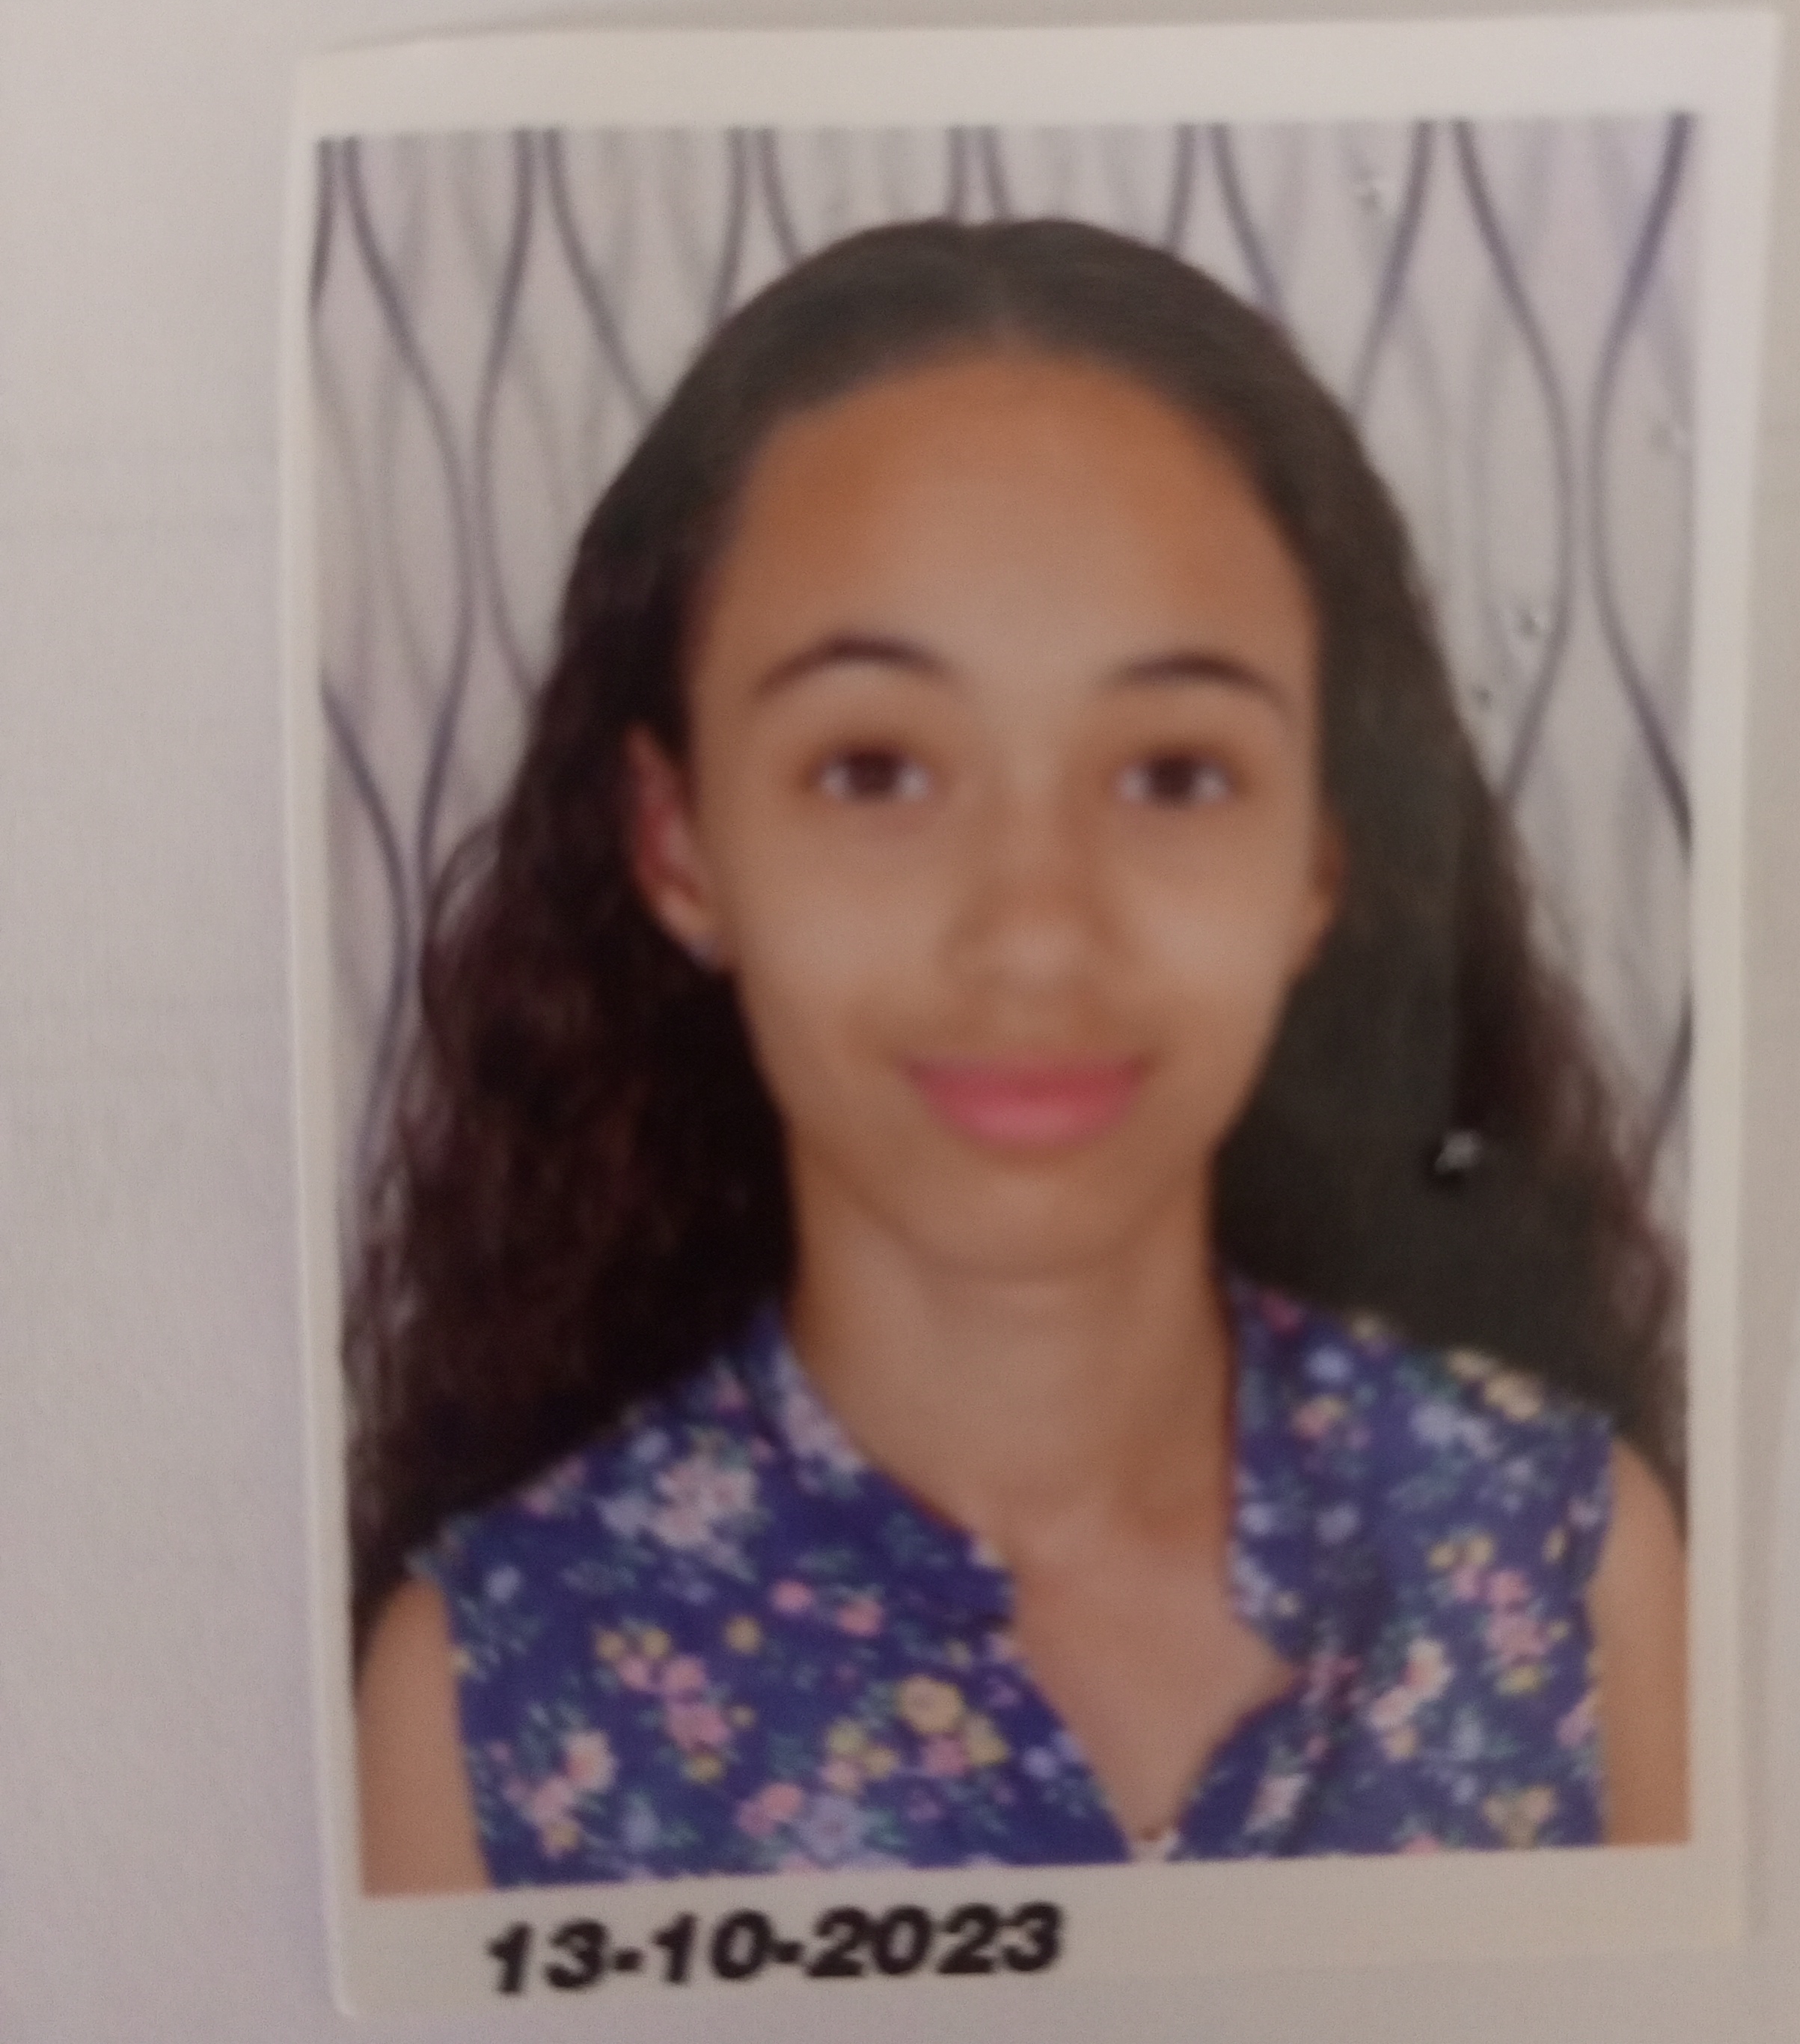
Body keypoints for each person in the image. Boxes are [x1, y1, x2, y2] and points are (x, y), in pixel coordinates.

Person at [349, 216, 1687, 1892]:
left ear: (1321, 855)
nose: (1037, 933)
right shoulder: (480, 1703)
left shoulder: (1566, 1561)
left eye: (1174, 773)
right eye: (874, 769)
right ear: (679, 842)